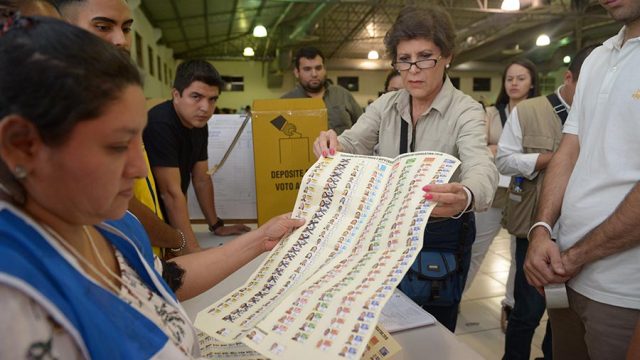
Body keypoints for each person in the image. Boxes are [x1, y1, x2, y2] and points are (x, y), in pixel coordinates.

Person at [0, 15, 304, 358]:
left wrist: (261, 238)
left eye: (137, 142)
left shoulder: (114, 223)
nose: (140, 168)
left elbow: (163, 279)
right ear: (22, 145)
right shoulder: (15, 301)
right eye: (117, 146)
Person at [313, 4, 498, 332]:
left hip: (440, 235)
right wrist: (332, 143)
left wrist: (467, 194)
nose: (413, 70)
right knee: (386, 320)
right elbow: (353, 142)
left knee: (433, 330)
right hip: (388, 232)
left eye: (425, 57)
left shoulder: (466, 110)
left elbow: (481, 167)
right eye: (404, 60)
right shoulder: (387, 104)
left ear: (447, 57)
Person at [524, 0, 640, 358]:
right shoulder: (598, 57)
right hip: (566, 276)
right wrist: (542, 229)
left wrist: (577, 256)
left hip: (623, 290)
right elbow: (570, 148)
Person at [54, 0, 187, 255]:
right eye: (103, 27)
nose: (121, 41)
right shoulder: (67, 107)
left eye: (126, 29)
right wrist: (176, 240)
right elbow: (121, 203)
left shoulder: (112, 94)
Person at [496, 46, 596, 360]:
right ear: (569, 78)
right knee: (527, 310)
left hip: (583, 232)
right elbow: (504, 161)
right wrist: (554, 159)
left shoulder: (605, 112)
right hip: (534, 228)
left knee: (564, 316)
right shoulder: (529, 111)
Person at [144, 60, 251, 254]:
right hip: (150, 228)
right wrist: (192, 248)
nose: (205, 108)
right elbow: (170, 193)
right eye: (196, 97)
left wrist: (216, 225)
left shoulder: (199, 125)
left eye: (212, 99)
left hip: (171, 225)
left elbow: (202, 179)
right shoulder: (160, 124)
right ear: (176, 95)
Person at [465, 58, 539, 332]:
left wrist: (501, 150)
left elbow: (539, 151)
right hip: (495, 189)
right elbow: (479, 148)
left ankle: (510, 305)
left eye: (521, 78)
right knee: (475, 247)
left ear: (532, 82)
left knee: (517, 254)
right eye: (510, 78)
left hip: (527, 191)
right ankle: (456, 296)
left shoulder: (538, 111)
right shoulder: (492, 113)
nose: (514, 83)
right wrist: (495, 150)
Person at [282, 46, 363, 135]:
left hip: (341, 148)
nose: (314, 74)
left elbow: (364, 126)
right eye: (307, 69)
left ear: (324, 69)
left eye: (318, 68)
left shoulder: (342, 95)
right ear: (297, 72)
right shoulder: (285, 102)